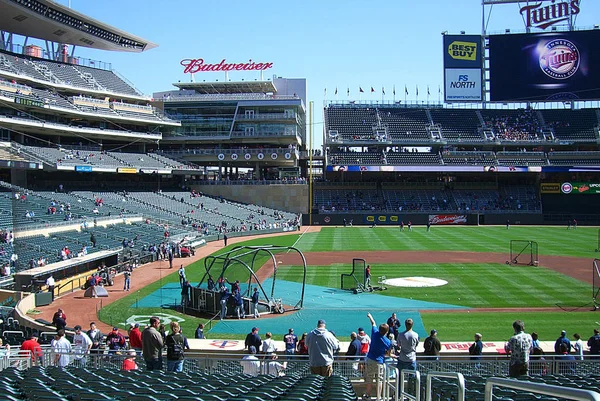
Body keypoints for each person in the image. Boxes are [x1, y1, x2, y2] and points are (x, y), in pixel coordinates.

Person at [363, 312, 392, 400]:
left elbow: (373, 323)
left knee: (369, 379)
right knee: (379, 380)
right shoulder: (387, 341)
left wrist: (370, 316)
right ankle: (379, 397)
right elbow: (389, 353)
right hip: (379, 362)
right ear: (386, 332)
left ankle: (367, 395)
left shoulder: (375, 333)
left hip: (370, 360)